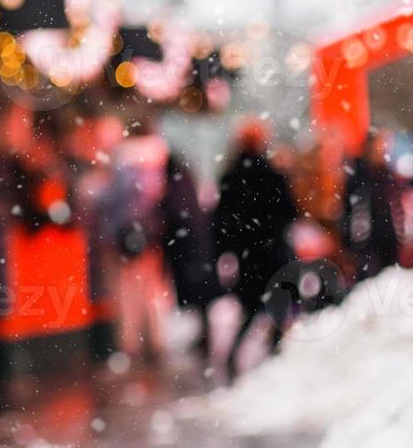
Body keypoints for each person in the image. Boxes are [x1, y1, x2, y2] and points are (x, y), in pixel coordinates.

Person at [212, 118, 298, 378]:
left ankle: (233, 357)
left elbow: (221, 221)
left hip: (248, 256)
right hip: (272, 253)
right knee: (277, 306)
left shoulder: (230, 176)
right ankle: (275, 355)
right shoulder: (272, 174)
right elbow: (289, 212)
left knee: (249, 309)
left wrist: (228, 250)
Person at [95, 121, 173, 365]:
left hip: (126, 238)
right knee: (151, 291)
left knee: (127, 292)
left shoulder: (125, 165)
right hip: (151, 236)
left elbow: (114, 200)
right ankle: (156, 339)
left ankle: (129, 344)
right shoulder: (159, 164)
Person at [161, 150, 218, 361]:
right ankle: (205, 336)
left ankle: (206, 337)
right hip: (197, 250)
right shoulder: (186, 182)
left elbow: (176, 214)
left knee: (199, 296)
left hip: (189, 252)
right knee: (201, 297)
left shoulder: (175, 186)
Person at [342, 131, 400, 280]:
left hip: (385, 241)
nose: (382, 151)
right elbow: (354, 214)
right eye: (378, 147)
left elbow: (393, 208)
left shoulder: (386, 175)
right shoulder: (359, 178)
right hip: (365, 244)